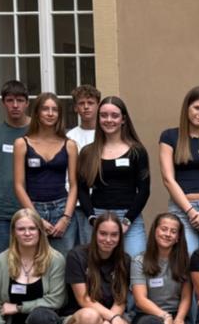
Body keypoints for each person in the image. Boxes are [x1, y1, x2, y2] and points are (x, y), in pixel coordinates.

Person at [63, 212, 136, 324]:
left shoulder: (124, 260)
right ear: (95, 233)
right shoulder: (77, 256)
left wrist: (109, 323)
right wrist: (111, 319)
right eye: (103, 233)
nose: (108, 239)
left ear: (120, 237)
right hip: (79, 319)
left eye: (114, 235)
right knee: (90, 316)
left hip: (112, 315)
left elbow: (121, 299)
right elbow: (84, 299)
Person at [157, 87, 199, 259]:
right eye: (197, 108)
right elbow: (168, 179)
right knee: (188, 257)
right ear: (187, 107)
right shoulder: (169, 137)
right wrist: (190, 211)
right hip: (182, 210)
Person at [79, 96, 151, 258]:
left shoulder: (137, 151)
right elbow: (82, 190)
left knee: (135, 265)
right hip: (97, 219)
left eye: (114, 115)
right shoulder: (88, 152)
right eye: (104, 115)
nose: (109, 120)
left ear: (123, 119)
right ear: (98, 119)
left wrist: (127, 220)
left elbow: (144, 190)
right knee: (97, 269)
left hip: (129, 220)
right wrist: (92, 219)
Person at [15, 92, 81, 254]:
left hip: (62, 210)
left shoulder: (70, 145)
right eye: (45, 109)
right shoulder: (22, 144)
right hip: (33, 209)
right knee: (34, 262)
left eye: (55, 110)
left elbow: (74, 185)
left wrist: (66, 218)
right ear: (37, 112)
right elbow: (18, 185)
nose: (50, 114)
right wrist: (36, 218)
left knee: (63, 264)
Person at [131, 212, 194, 324]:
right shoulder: (140, 261)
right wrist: (165, 317)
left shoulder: (184, 261)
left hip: (176, 314)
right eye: (164, 229)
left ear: (178, 237)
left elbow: (186, 296)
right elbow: (140, 299)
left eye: (173, 231)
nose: (167, 234)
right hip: (148, 315)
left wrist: (179, 319)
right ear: (155, 231)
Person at [0, 81, 31, 261]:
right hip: (0, 210)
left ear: (27, 103)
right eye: (10, 100)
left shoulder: (38, 131)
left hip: (32, 209)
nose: (15, 105)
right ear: (3, 103)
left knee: (30, 261)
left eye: (20, 100)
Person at [66, 85, 101, 152]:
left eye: (90, 103)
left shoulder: (107, 134)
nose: (86, 107)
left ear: (98, 106)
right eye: (81, 103)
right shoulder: (70, 137)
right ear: (75, 108)